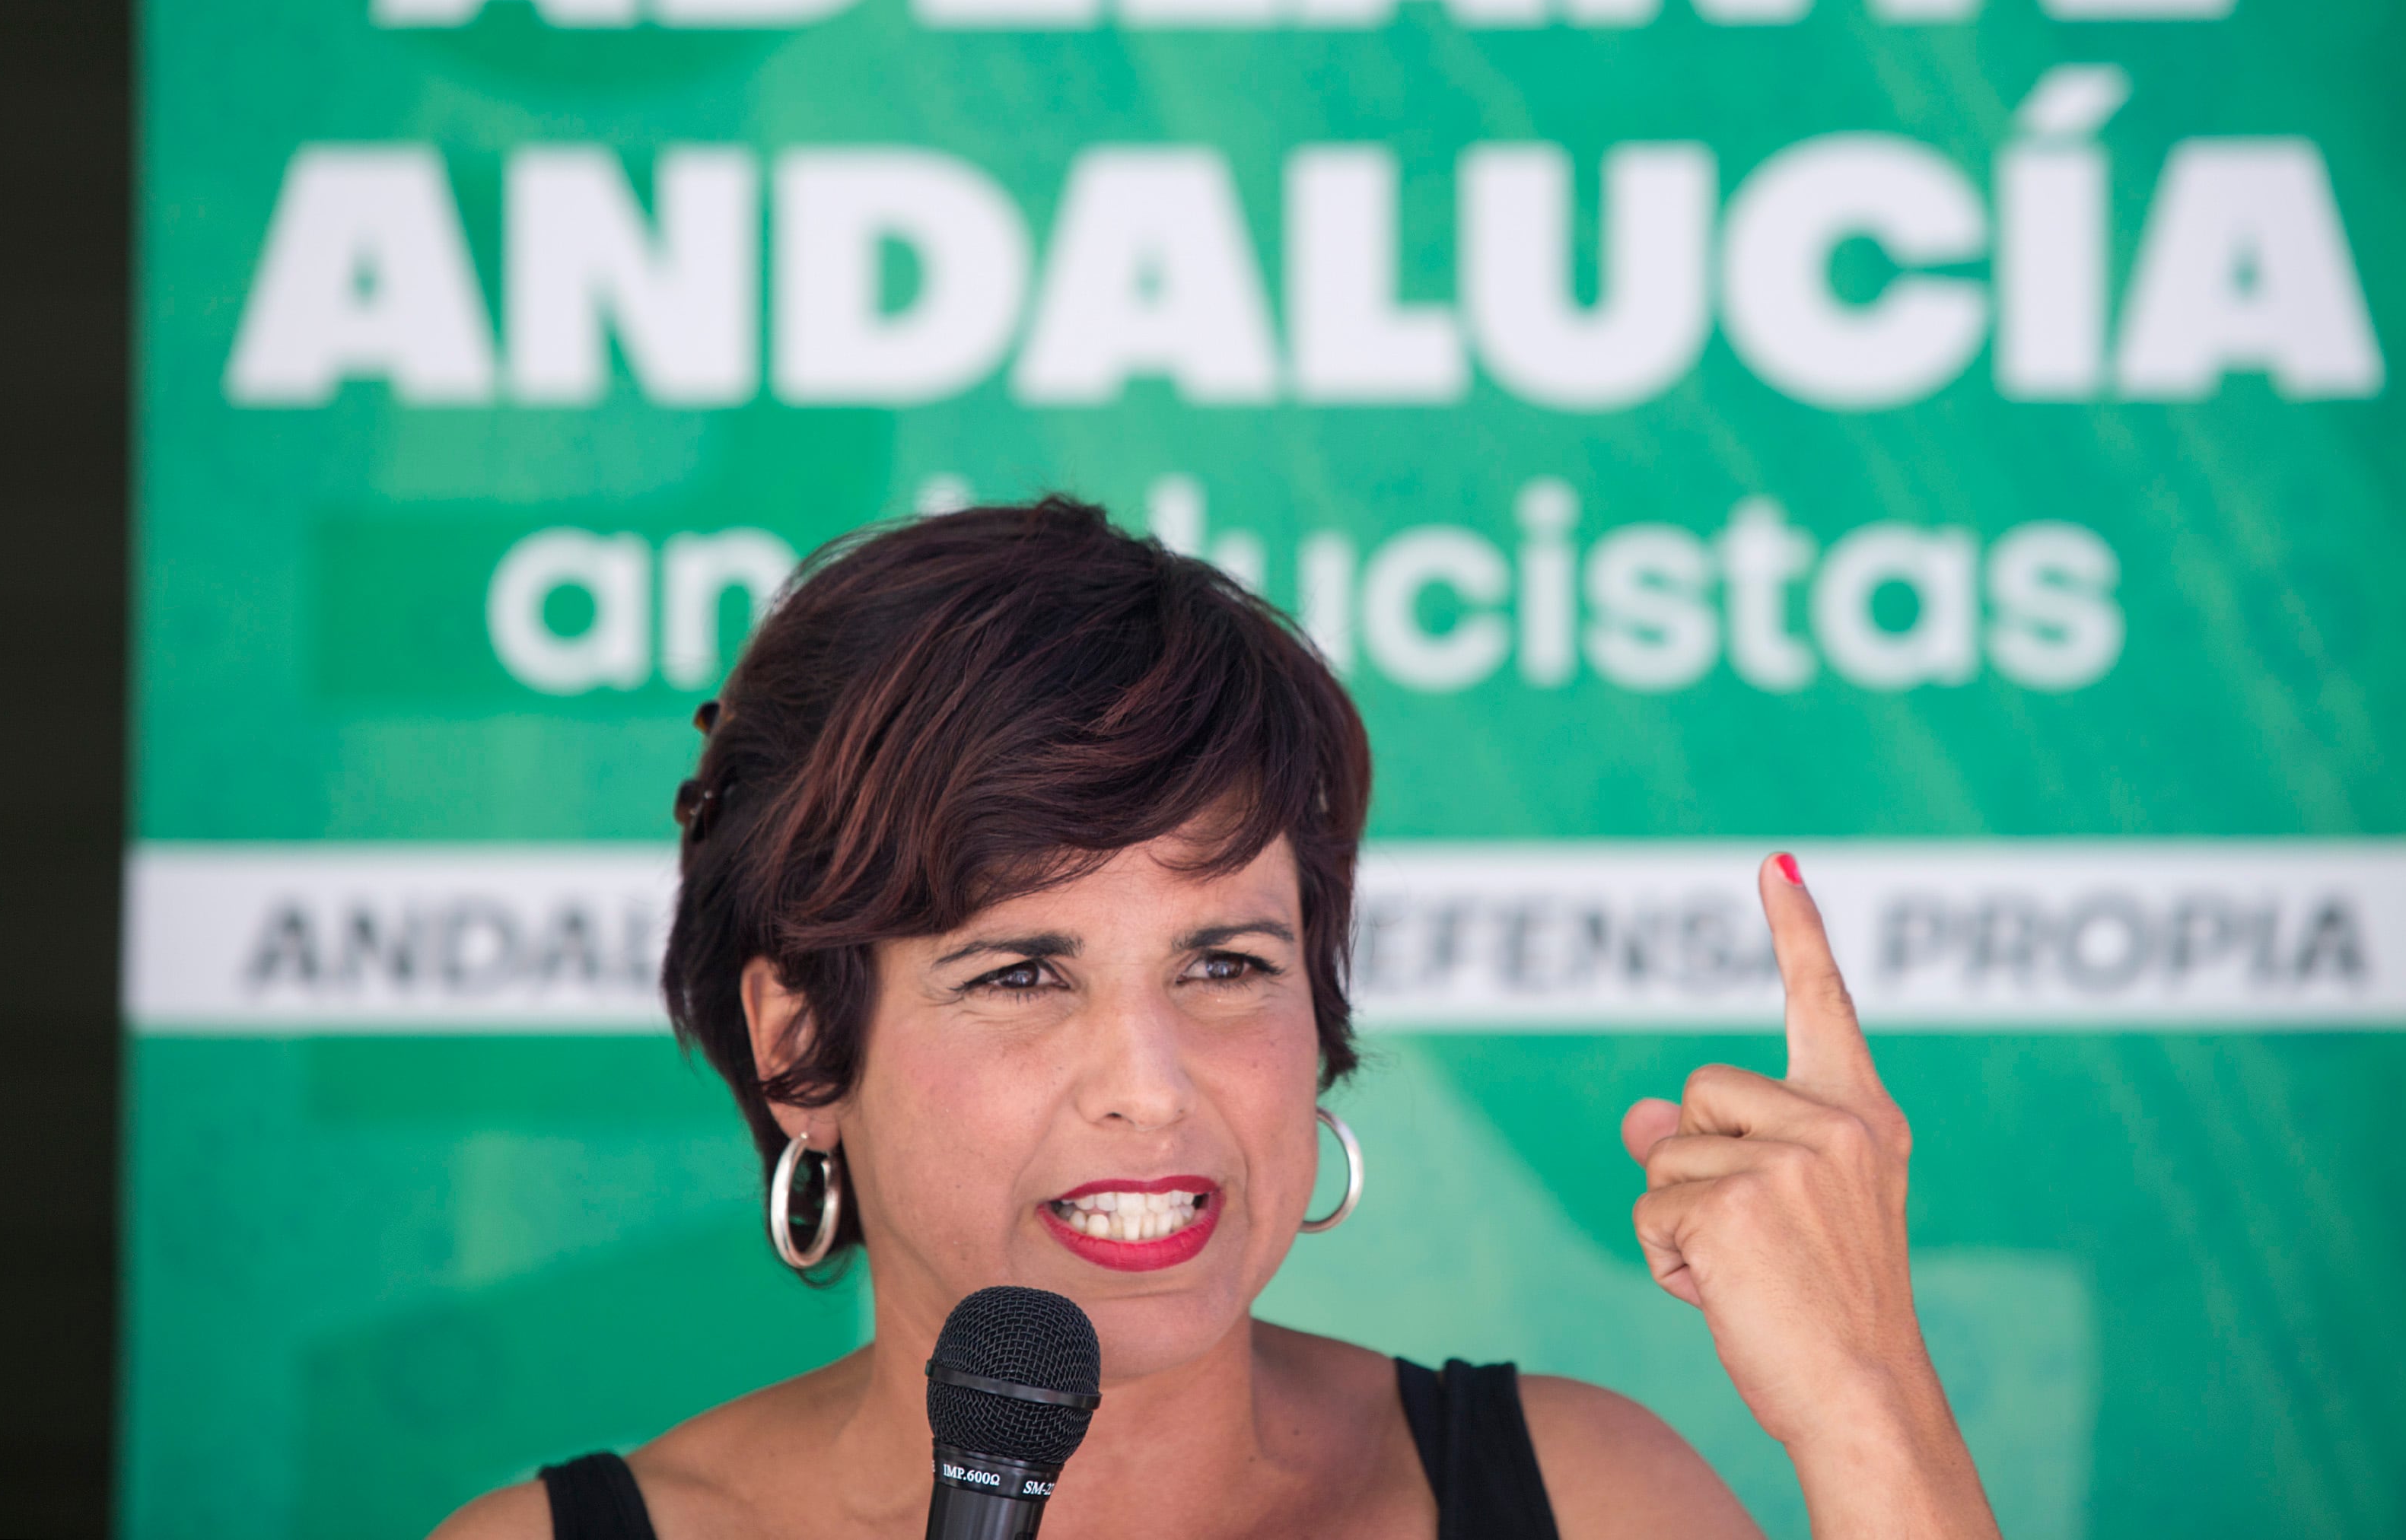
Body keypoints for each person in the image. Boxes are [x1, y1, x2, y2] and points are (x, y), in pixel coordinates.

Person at [434, 498, 1998, 1540]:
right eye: (1020, 972)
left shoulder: (1578, 1497)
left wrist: (1865, 1403)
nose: (1149, 1084)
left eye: (1223, 962)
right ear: (800, 1045)